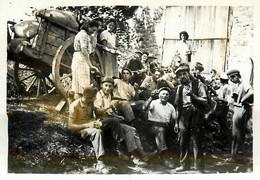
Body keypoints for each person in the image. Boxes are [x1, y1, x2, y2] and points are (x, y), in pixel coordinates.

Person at [94, 77, 157, 165]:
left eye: (110, 86)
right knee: (118, 125)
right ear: (101, 85)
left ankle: (141, 154)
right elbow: (98, 111)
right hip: (101, 122)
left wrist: (117, 116)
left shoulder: (108, 96)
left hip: (112, 121)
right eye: (106, 86)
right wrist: (109, 108)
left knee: (131, 129)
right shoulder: (98, 95)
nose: (108, 88)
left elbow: (109, 112)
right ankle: (127, 153)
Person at [68, 86, 123, 173]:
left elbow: (97, 112)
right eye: (94, 97)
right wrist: (87, 125)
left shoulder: (90, 103)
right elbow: (70, 126)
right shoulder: (74, 106)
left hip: (92, 124)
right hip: (81, 129)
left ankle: (117, 148)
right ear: (88, 97)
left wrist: (108, 107)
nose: (95, 99)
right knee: (98, 132)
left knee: (114, 121)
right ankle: (100, 163)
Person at [174, 63, 208, 172]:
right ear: (178, 77)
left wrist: (193, 96)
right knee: (183, 141)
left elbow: (205, 100)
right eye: (180, 75)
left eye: (184, 73)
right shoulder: (179, 88)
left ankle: (198, 167)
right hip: (183, 115)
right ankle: (184, 165)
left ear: (188, 74)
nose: (182, 76)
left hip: (196, 114)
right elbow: (178, 106)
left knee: (197, 140)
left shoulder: (198, 84)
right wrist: (176, 122)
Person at [142, 87, 177, 166]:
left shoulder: (171, 106)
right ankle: (164, 157)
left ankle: (167, 154)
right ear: (159, 95)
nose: (165, 96)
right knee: (160, 130)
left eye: (167, 94)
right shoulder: (154, 103)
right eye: (163, 94)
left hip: (166, 127)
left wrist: (176, 125)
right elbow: (144, 108)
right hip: (153, 126)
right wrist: (150, 98)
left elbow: (174, 119)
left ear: (169, 96)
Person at [227, 69, 253, 160]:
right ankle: (239, 155)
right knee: (238, 133)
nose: (231, 80)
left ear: (236, 76)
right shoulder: (236, 85)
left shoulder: (244, 83)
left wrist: (242, 100)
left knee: (236, 133)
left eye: (232, 78)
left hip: (242, 109)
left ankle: (235, 156)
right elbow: (234, 97)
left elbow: (251, 92)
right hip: (237, 108)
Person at [71, 20, 100, 100]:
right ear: (88, 27)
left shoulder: (84, 34)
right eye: (93, 30)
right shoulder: (83, 35)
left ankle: (78, 106)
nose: (93, 32)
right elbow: (84, 50)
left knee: (79, 87)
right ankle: (79, 106)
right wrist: (90, 65)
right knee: (81, 87)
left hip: (78, 58)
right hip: (81, 59)